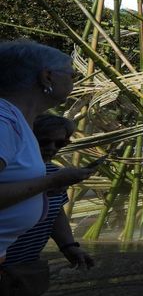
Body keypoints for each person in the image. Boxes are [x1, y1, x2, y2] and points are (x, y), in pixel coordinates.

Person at [0, 40, 95, 296]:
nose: (75, 81)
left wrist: (68, 245)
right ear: (47, 77)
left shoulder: (19, 120)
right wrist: (49, 183)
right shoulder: (4, 121)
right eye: (71, 74)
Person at [4, 115, 95, 270]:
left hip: (26, 263)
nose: (52, 148)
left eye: (59, 143)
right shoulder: (11, 172)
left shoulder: (55, 172)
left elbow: (56, 212)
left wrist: (68, 246)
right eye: (44, 142)